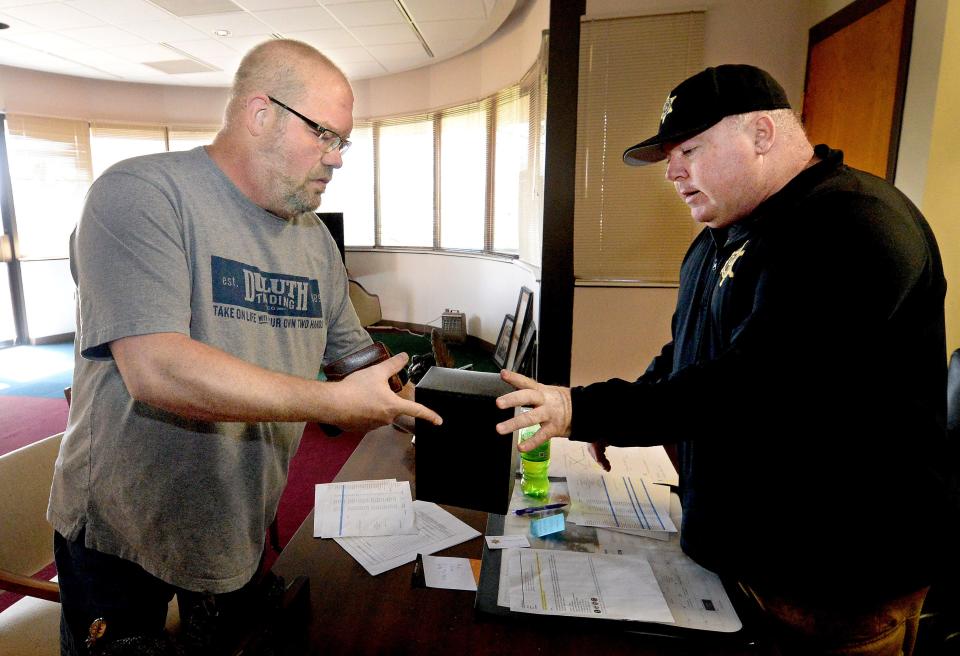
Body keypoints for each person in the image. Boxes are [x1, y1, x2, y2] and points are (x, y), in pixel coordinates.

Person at [496, 64, 956, 656]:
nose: (673, 171)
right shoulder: (726, 231)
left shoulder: (853, 226)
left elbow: (751, 385)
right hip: (741, 561)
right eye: (669, 155)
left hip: (830, 581)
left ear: (762, 134)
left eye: (689, 148)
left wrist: (583, 408)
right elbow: (692, 347)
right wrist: (622, 408)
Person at [48, 39, 441, 655]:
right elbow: (157, 369)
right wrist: (331, 404)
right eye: (327, 137)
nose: (337, 160)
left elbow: (358, 357)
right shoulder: (140, 194)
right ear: (262, 114)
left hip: (236, 524)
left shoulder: (313, 241)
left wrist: (415, 400)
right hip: (121, 532)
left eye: (344, 143)